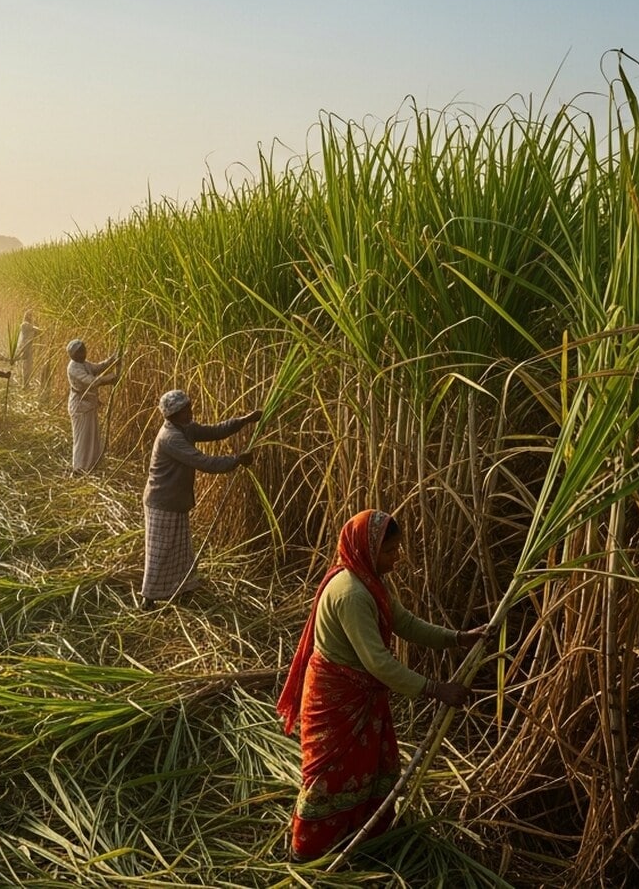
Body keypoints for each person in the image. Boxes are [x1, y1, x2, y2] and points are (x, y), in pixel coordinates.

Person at [275, 510, 486, 859]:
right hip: (337, 698)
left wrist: (459, 638)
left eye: (397, 550)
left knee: (369, 766)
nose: (397, 559)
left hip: (361, 695)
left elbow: (405, 623)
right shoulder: (352, 594)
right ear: (367, 550)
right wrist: (436, 689)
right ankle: (308, 852)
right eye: (390, 552)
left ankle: (360, 836)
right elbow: (379, 662)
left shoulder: (370, 580)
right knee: (329, 778)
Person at [139, 390, 257, 608]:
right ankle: (149, 597)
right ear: (174, 414)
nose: (191, 411)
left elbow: (215, 431)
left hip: (175, 500)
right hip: (162, 501)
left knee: (180, 548)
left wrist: (244, 421)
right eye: (186, 409)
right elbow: (203, 462)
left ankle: (182, 587)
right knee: (160, 551)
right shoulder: (171, 437)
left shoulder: (185, 428)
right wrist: (236, 460)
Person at [65, 339, 120, 473]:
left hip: (89, 404)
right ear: (73, 355)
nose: (84, 353)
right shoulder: (73, 368)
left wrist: (113, 358)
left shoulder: (83, 363)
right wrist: (111, 378)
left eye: (84, 350)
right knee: (82, 438)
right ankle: (79, 468)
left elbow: (98, 368)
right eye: (80, 352)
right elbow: (91, 382)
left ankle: (91, 465)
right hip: (80, 406)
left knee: (91, 436)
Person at [15, 310, 41, 386]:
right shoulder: (25, 325)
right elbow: (37, 329)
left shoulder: (28, 325)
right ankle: (25, 384)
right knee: (26, 366)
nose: (32, 317)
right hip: (25, 348)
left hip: (27, 347)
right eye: (30, 315)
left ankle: (26, 384)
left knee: (28, 366)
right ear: (27, 316)